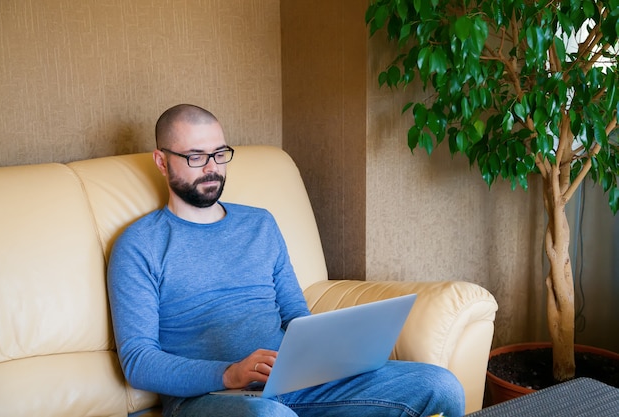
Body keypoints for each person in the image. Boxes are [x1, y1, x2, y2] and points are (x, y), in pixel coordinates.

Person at [107, 104, 465, 417]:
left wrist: (332, 353)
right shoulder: (139, 244)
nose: (212, 168)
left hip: (295, 383)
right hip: (207, 399)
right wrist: (229, 373)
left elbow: (295, 314)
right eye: (196, 157)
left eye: (219, 154)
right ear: (161, 160)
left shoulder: (259, 223)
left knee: (440, 385)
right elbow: (139, 361)